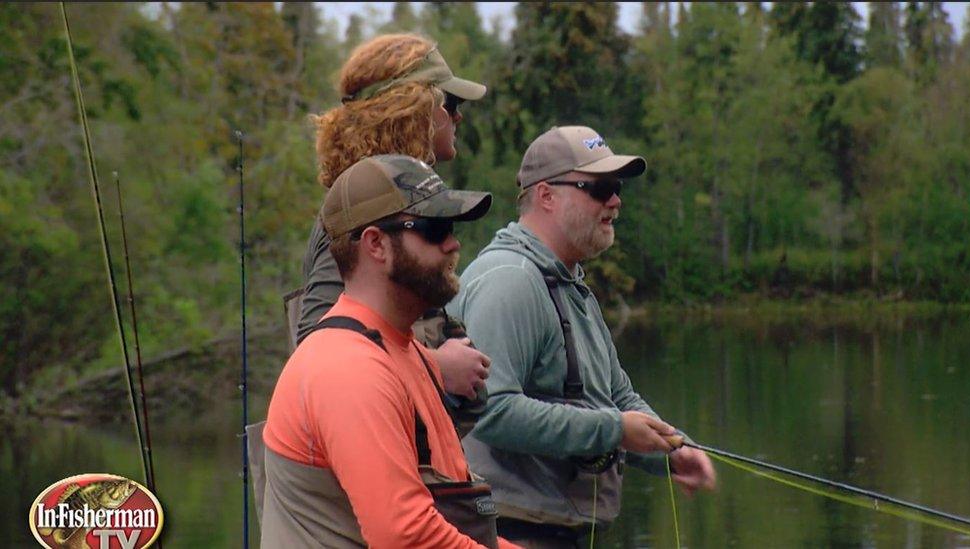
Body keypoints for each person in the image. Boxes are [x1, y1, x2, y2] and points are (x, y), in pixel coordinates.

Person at [447, 126, 717, 548]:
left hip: (556, 531)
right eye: (599, 188)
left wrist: (671, 449)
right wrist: (615, 430)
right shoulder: (510, 282)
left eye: (616, 187)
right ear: (547, 196)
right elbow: (491, 411)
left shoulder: (570, 284)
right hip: (509, 532)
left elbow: (618, 398)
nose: (615, 201)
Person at [262, 154, 520, 548]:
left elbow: (443, 518)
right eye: (435, 229)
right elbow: (406, 535)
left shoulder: (402, 349)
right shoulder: (348, 368)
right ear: (376, 244)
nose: (454, 243)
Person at [295, 33, 490, 404]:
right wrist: (436, 367)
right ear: (414, 111)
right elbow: (317, 342)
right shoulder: (360, 210)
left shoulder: (386, 201)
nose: (458, 115)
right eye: (450, 103)